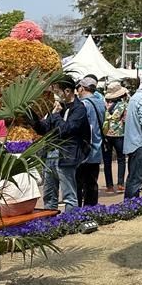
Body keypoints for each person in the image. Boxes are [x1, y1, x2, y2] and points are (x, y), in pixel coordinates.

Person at [33, 75, 91, 213]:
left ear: (67, 91)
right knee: (49, 193)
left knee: (69, 194)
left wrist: (57, 115)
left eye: (57, 91)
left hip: (67, 155)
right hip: (51, 155)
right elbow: (44, 128)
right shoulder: (58, 108)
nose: (55, 94)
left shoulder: (79, 109)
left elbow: (67, 130)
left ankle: (70, 221)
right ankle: (49, 223)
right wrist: (31, 116)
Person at [76, 77, 105, 206]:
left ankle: (78, 213)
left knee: (78, 183)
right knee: (92, 183)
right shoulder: (100, 102)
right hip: (97, 148)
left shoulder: (84, 104)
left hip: (84, 150)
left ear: (82, 88)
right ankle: (91, 210)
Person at [102, 81, 128, 193]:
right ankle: (121, 183)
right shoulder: (124, 105)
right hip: (119, 134)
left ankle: (109, 186)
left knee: (107, 160)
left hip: (106, 133)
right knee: (121, 159)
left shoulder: (104, 104)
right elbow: (125, 120)